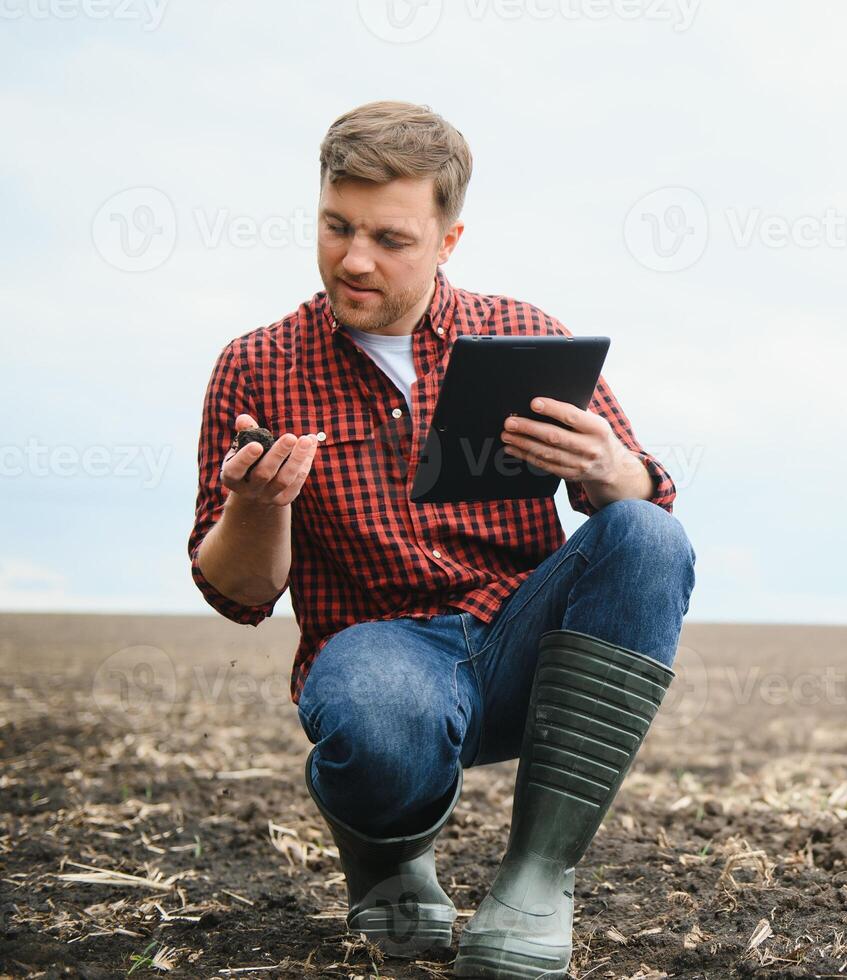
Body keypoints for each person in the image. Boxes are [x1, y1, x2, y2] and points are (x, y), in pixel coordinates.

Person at [187, 100, 696, 979]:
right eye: (336, 227)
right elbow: (239, 596)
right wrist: (260, 506)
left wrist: (614, 466)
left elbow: (647, 504)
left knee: (647, 534)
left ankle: (536, 880)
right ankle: (386, 861)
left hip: (527, 645)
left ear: (448, 240)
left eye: (390, 238)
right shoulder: (256, 365)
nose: (354, 258)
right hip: (380, 657)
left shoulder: (526, 336)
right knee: (378, 716)